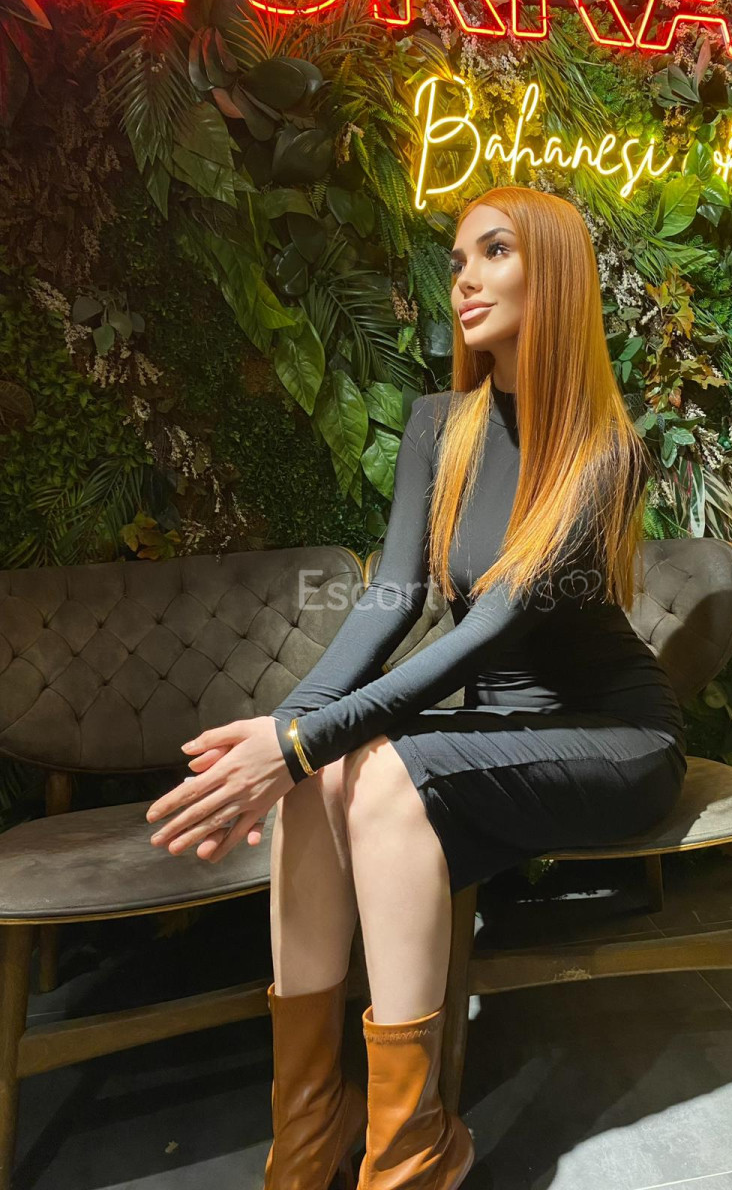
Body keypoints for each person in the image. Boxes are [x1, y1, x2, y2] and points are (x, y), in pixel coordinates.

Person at [143, 185, 687, 1190]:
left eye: (494, 252)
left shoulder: (603, 450)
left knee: (370, 774)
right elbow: (390, 600)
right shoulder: (442, 426)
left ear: (555, 275)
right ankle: (311, 1133)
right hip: (498, 734)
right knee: (321, 773)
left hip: (616, 736)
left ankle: (411, 1156)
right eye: (457, 259)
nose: (464, 278)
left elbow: (486, 634)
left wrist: (293, 744)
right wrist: (288, 736)